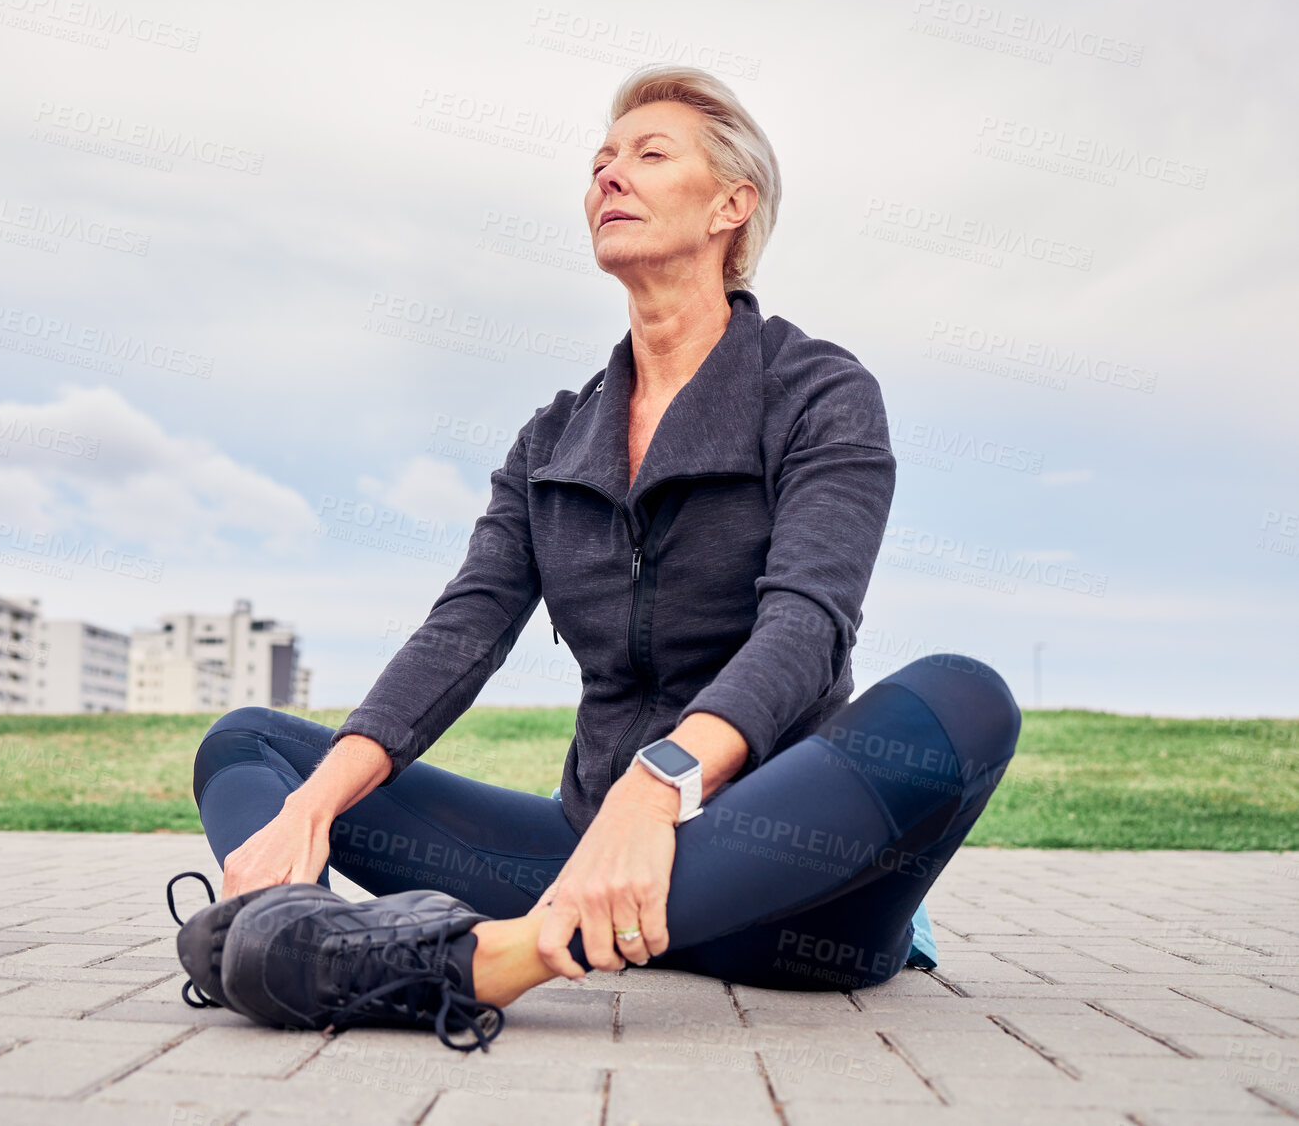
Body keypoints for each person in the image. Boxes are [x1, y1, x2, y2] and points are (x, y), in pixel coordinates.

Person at [171, 64, 1020, 1052]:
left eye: (649, 156)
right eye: (600, 162)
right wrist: (311, 810)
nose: (609, 176)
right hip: (596, 866)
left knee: (966, 697)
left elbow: (806, 626)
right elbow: (462, 634)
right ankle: (295, 940)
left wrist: (656, 787)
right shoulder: (554, 441)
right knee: (250, 746)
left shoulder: (820, 392)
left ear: (731, 207)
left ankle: (489, 960)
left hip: (795, 890)